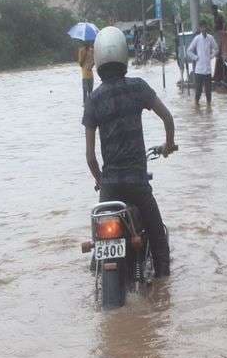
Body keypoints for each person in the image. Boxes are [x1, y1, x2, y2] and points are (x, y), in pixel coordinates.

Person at [83, 26, 176, 277]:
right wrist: (168, 145)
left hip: (110, 186)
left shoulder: (93, 99)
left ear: (99, 59)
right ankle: (163, 284)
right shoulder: (138, 88)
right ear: (124, 55)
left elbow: (91, 157)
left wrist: (100, 181)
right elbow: (167, 117)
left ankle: (98, 272)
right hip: (137, 182)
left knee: (99, 244)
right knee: (158, 235)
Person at [186, 21, 218, 105]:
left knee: (208, 91)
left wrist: (212, 56)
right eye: (202, 27)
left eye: (205, 27)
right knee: (198, 91)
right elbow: (189, 51)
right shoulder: (197, 38)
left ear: (206, 27)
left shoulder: (210, 38)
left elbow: (216, 48)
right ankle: (196, 104)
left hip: (207, 70)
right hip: (199, 70)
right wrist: (196, 58)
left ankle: (209, 106)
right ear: (200, 28)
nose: (204, 29)